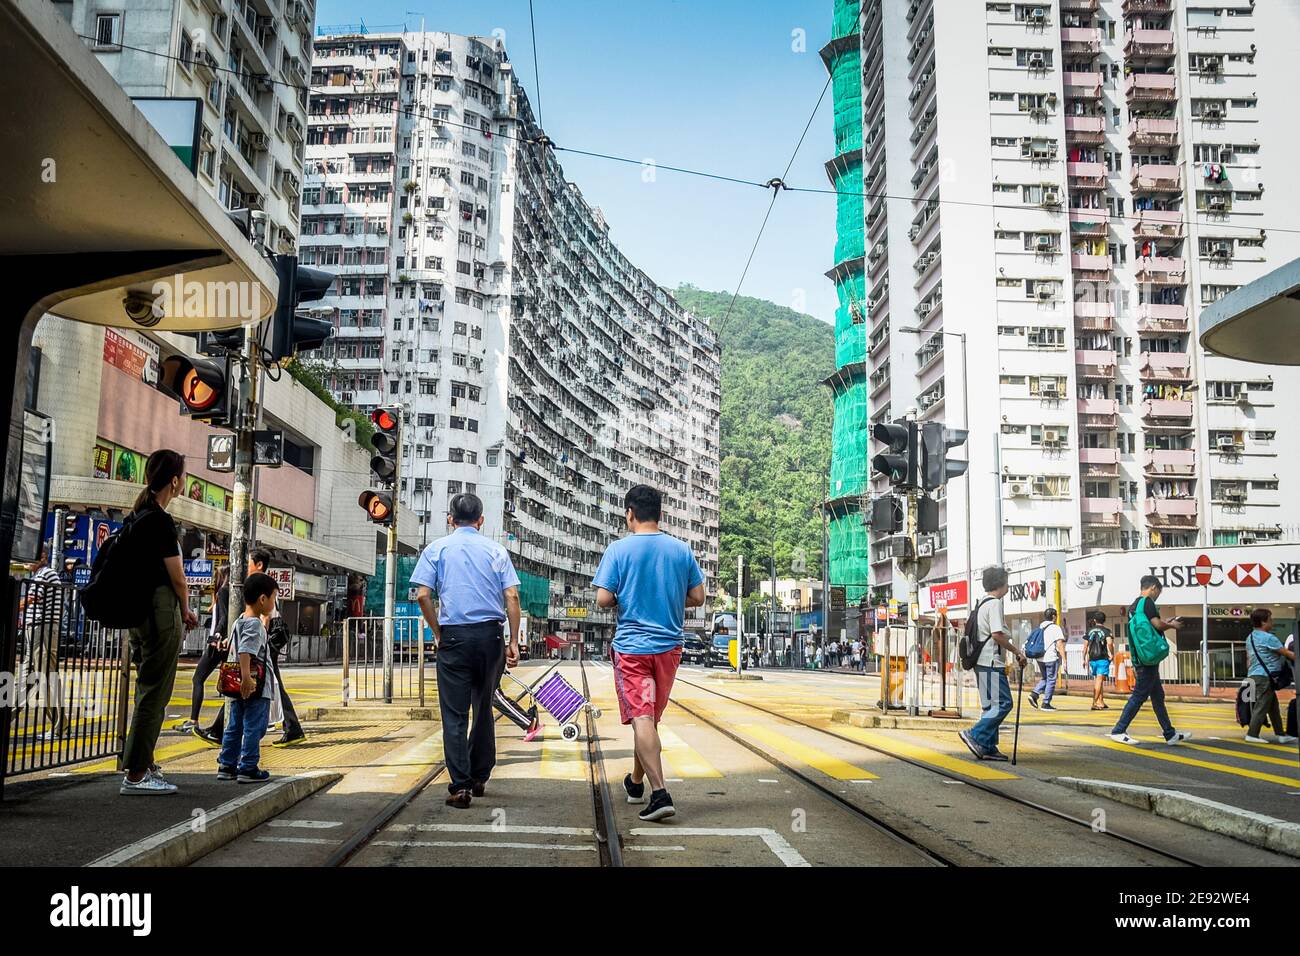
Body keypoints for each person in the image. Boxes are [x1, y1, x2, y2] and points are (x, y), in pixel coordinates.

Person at [594, 484, 705, 823]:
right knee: (650, 720)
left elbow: (602, 598)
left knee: (642, 718)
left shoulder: (618, 550)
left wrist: (622, 597)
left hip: (632, 651)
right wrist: (670, 597)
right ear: (660, 514)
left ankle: (660, 793)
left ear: (630, 514)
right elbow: (698, 597)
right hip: (669, 649)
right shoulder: (681, 551)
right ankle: (636, 781)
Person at [412, 493, 521, 808]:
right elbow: (511, 597)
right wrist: (513, 641)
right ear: (481, 521)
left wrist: (437, 632)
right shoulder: (496, 550)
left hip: (454, 638)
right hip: (490, 638)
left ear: (450, 519)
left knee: (455, 714)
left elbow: (422, 595)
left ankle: (460, 786)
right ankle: (480, 776)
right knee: (483, 706)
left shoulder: (437, 549)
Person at [121, 450, 198, 795]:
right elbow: (178, 578)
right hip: (160, 610)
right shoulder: (161, 521)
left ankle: (144, 761)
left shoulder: (138, 515)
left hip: (137, 613)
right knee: (155, 692)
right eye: (183, 476)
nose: (185, 482)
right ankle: (136, 774)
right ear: (174, 481)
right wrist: (184, 609)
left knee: (146, 687)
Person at [1107, 575, 1192, 746]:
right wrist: (1172, 625)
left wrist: (1164, 622)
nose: (1158, 595)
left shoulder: (1134, 605)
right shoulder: (1147, 603)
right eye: (1158, 592)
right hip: (1147, 660)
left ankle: (1170, 733)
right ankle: (1118, 730)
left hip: (1141, 656)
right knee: (1139, 695)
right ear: (1154, 587)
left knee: (1157, 696)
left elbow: (1152, 625)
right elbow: (1157, 625)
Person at [959, 566, 1027, 762]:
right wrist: (1017, 652)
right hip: (991, 661)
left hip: (981, 662)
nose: (1008, 585)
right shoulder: (995, 604)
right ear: (1000, 584)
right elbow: (997, 634)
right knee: (1004, 703)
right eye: (1006, 581)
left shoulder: (981, 603)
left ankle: (988, 746)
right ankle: (976, 735)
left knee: (990, 706)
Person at [217, 572, 280, 783]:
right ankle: (248, 767)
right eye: (273, 598)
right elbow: (245, 651)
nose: (274, 603)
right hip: (254, 685)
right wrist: (246, 679)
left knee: (235, 725)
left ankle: (227, 764)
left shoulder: (239, 621)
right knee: (255, 726)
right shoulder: (254, 624)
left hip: (236, 686)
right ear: (263, 599)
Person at [248, 548, 305, 745]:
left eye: (248, 562)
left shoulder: (262, 583)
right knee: (270, 682)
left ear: (259, 564)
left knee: (250, 678)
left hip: (265, 639)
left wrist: (259, 638)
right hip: (267, 639)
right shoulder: (264, 583)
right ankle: (293, 727)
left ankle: (221, 728)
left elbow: (265, 615)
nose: (245, 566)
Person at [19, 544, 68, 741]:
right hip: (38, 630)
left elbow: (31, 598)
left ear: (43, 556)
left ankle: (60, 727)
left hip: (43, 629)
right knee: (24, 679)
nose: (26, 561)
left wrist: (14, 605)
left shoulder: (45, 574)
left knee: (46, 677)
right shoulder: (42, 574)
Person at [181, 565, 229, 739]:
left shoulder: (223, 591)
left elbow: (224, 617)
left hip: (216, 643)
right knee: (227, 684)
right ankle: (221, 725)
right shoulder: (229, 592)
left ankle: (193, 720)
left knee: (198, 678)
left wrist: (216, 635)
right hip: (224, 642)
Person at [1243, 608, 1297, 745]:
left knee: (1273, 706)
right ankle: (1252, 734)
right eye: (1270, 619)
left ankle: (1280, 734)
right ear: (1263, 622)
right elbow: (1287, 653)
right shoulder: (1269, 638)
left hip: (1254, 675)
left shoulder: (1250, 637)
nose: (1272, 622)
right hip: (1265, 676)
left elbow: (1248, 659)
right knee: (1261, 706)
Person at [1029, 607, 1066, 712]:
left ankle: (1034, 694)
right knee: (1051, 679)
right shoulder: (1055, 628)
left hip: (1040, 657)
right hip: (1050, 657)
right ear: (1054, 616)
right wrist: (1064, 659)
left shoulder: (1041, 626)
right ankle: (1046, 703)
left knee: (1045, 678)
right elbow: (1060, 644)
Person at [1084, 610, 1114, 711]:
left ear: (1094, 620)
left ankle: (1101, 702)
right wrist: (1111, 653)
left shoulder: (1089, 631)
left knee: (1098, 679)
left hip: (1092, 659)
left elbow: (1085, 646)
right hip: (1102, 658)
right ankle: (1094, 702)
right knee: (1099, 680)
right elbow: (1109, 643)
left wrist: (1084, 659)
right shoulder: (1106, 631)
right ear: (1104, 620)